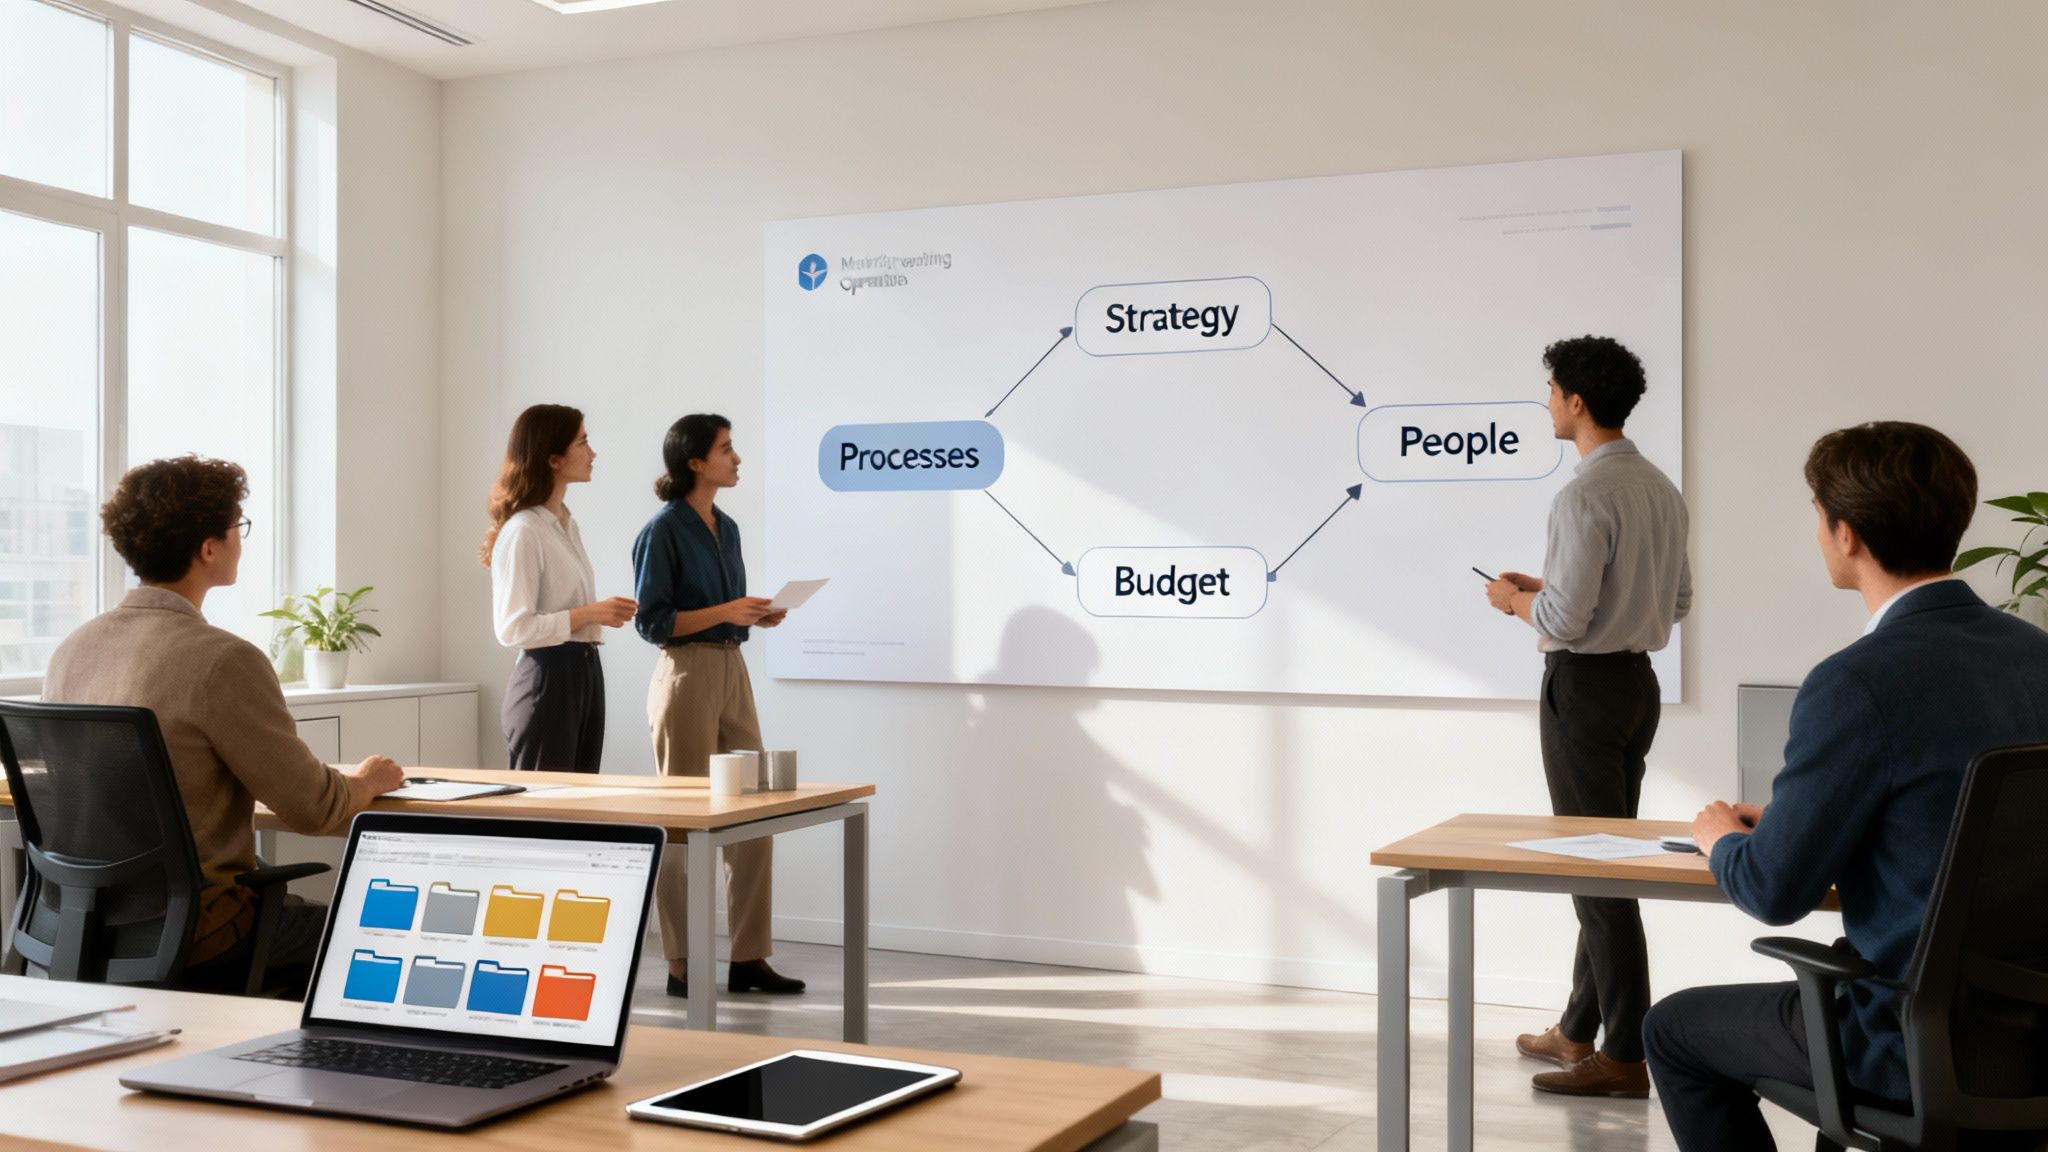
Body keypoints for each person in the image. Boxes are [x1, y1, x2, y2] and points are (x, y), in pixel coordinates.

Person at [1644, 423, 2048, 1151]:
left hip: (1905, 1041)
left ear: (1845, 533)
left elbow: (1773, 891)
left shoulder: (1856, 682)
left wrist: (1723, 840)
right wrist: (1808, 817)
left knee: (1672, 1030)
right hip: (2032, 1038)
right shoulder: (2036, 654)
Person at [41, 455, 405, 992]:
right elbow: (313, 807)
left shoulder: (71, 651)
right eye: (238, 527)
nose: (241, 540)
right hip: (201, 932)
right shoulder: (222, 661)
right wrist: (369, 780)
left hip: (83, 924)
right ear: (209, 548)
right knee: (384, 939)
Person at [1483, 335, 1692, 1097]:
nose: (1547, 403)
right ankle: (1577, 1029)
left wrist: (1514, 600)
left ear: (1575, 400)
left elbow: (1564, 622)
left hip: (1583, 691)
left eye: (1550, 391)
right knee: (1605, 859)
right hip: (1637, 687)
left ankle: (1626, 1053)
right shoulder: (1659, 488)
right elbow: (1675, 600)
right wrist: (1553, 590)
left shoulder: (1582, 495)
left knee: (1595, 873)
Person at [631, 414, 803, 997]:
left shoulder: (726, 528)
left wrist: (754, 615)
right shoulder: (663, 530)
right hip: (686, 674)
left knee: (755, 808)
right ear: (695, 462)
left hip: (732, 667)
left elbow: (724, 610)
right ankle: (681, 963)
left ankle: (748, 957)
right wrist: (728, 610)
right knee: (683, 823)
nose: (737, 458)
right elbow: (653, 622)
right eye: (726, 449)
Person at [483, 404, 638, 772]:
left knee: (579, 800)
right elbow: (512, 628)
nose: (592, 453)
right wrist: (589, 614)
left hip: (583, 672)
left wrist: (592, 616)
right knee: (547, 803)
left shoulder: (565, 525)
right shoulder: (524, 531)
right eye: (582, 442)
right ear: (554, 459)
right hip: (548, 679)